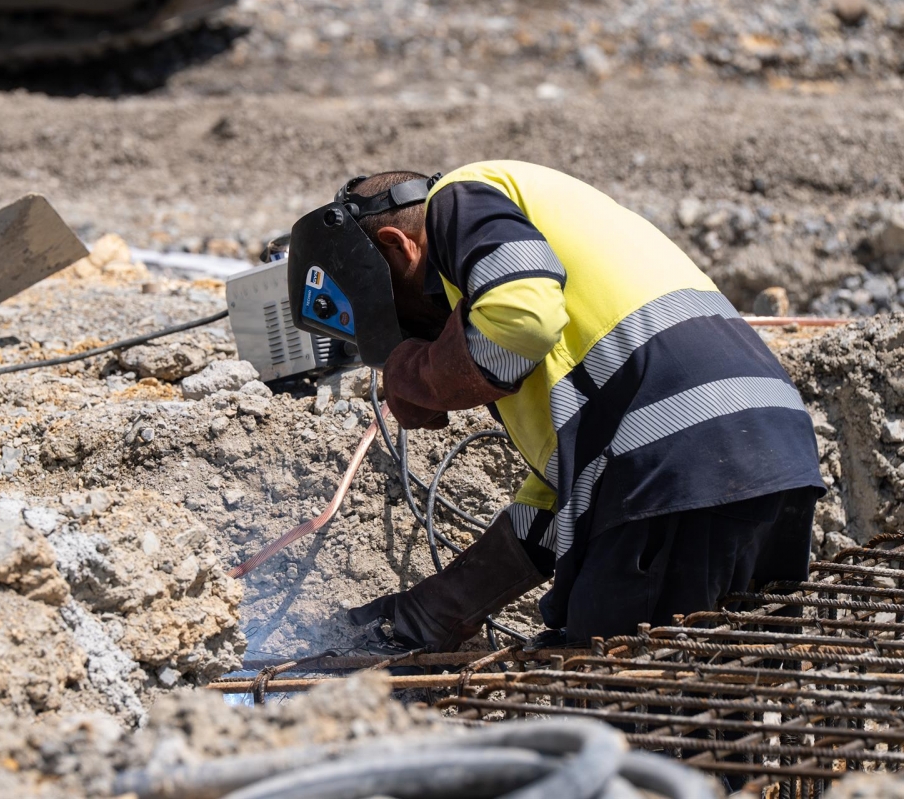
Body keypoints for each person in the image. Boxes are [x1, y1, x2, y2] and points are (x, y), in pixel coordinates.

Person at [322, 161, 826, 651]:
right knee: (738, 683)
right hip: (775, 453)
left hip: (678, 461)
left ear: (400, 246)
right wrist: (436, 609)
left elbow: (523, 320)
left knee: (625, 688)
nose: (412, 331)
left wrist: (418, 374)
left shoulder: (460, 199)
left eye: (398, 314)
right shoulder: (557, 255)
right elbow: (560, 498)